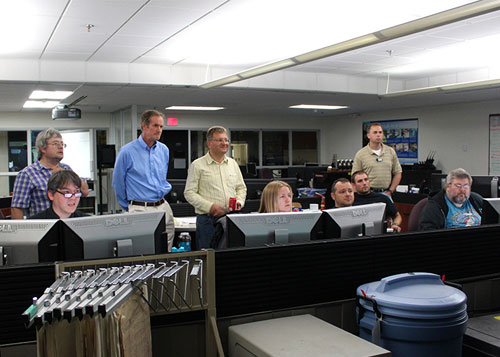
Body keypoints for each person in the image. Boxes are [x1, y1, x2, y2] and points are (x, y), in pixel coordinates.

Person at [112, 109, 175, 251]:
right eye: (155, 126)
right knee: (142, 250)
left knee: (166, 249)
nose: (159, 130)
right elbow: (118, 183)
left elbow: (162, 177)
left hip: (163, 205)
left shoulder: (163, 150)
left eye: (161, 126)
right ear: (144, 126)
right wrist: (129, 206)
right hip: (140, 208)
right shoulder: (127, 151)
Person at [184, 126, 247, 249]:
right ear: (209, 143)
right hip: (208, 220)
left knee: (231, 254)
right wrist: (210, 207)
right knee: (209, 256)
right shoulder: (198, 165)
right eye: (220, 140)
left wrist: (239, 202)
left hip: (231, 218)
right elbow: (189, 193)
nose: (224, 143)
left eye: (226, 140)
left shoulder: (232, 164)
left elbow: (241, 188)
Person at [11, 128, 89, 219]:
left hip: (67, 223)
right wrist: (22, 232)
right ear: (42, 149)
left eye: (62, 144)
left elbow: (85, 191)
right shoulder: (27, 174)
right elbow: (17, 207)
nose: (60, 147)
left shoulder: (66, 168)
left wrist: (66, 173)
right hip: (41, 226)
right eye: (55, 144)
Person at [418, 168, 483, 231]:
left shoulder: (476, 200)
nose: (462, 190)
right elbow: (427, 232)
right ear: (448, 187)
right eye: (458, 186)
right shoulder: (435, 206)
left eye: (466, 186)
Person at [352, 123, 402, 197]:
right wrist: (357, 197)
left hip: (386, 193)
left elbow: (398, 173)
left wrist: (390, 191)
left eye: (380, 132)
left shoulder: (390, 151)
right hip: (367, 194)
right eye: (375, 132)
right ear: (368, 135)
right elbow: (354, 178)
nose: (378, 135)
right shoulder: (360, 154)